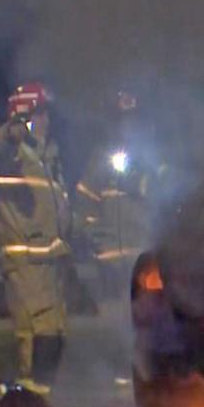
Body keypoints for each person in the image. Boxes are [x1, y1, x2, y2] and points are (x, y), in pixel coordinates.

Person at [0, 82, 71, 395]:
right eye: (40, 113)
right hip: (26, 263)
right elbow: (0, 145)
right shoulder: (12, 152)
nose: (47, 120)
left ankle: (38, 404)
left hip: (49, 262)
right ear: (24, 116)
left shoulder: (46, 157)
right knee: (35, 339)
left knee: (54, 337)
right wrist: (14, 130)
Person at [74, 91, 162, 298]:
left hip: (146, 267)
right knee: (114, 324)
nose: (127, 128)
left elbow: (165, 208)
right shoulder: (100, 163)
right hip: (110, 269)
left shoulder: (151, 164)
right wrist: (100, 244)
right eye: (122, 121)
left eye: (133, 121)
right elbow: (84, 207)